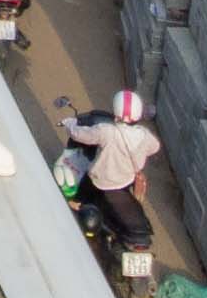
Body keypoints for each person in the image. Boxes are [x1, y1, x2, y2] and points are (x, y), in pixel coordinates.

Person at [65, 91, 164, 240]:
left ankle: (77, 209)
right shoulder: (144, 135)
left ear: (116, 111)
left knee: (76, 199)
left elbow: (79, 135)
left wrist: (69, 123)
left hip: (99, 182)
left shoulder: (107, 131)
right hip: (126, 182)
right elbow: (155, 147)